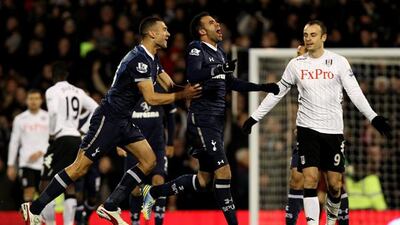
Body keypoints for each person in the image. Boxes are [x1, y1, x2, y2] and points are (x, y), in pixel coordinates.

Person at [21, 16, 201, 225]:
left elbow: (170, 87)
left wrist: (193, 91)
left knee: (149, 161)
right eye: (165, 29)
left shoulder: (152, 58)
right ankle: (34, 207)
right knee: (79, 168)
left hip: (123, 120)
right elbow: (151, 97)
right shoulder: (138, 60)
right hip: (108, 118)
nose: (168, 34)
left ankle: (110, 206)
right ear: (152, 33)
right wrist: (183, 96)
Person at [242, 20, 391, 225]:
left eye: (313, 34)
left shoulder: (338, 62)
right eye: (305, 35)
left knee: (335, 185)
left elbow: (355, 93)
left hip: (333, 131)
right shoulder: (296, 65)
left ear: (323, 37)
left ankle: (331, 221)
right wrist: (254, 117)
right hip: (306, 129)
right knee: (309, 179)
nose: (308, 39)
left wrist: (373, 117)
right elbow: (278, 92)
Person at [140, 12, 279, 225]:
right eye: (212, 22)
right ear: (202, 30)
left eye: (217, 20)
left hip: (216, 122)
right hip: (202, 120)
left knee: (204, 180)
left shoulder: (220, 52)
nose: (218, 24)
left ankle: (154, 191)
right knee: (224, 171)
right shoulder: (196, 48)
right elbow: (194, 75)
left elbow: (231, 83)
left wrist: (261, 87)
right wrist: (219, 69)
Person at [285, 45, 349, 225]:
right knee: (297, 179)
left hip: (329, 133)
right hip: (307, 134)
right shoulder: (298, 70)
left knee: (334, 183)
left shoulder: (331, 68)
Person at [39, 61, 99, 225]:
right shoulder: (78, 91)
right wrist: (83, 130)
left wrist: (52, 133)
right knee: (69, 183)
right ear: (66, 75)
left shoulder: (52, 91)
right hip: (76, 138)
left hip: (61, 138)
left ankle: (51, 223)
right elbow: (96, 108)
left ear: (53, 75)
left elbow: (53, 113)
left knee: (45, 181)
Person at [124, 83, 176, 225]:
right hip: (135, 147)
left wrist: (170, 142)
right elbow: (120, 118)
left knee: (158, 181)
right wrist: (119, 143)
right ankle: (135, 221)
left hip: (157, 146)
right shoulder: (129, 92)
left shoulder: (160, 90)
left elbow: (171, 116)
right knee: (135, 189)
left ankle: (158, 222)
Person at [7, 89, 49, 204]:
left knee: (45, 194)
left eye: (36, 99)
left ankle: (48, 221)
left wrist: (42, 151)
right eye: (31, 99)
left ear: (41, 101)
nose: (33, 101)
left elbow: (53, 140)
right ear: (26, 101)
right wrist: (11, 165)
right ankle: (30, 222)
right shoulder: (20, 119)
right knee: (28, 193)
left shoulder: (48, 117)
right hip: (26, 162)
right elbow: (14, 142)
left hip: (44, 161)